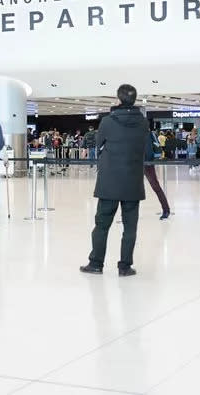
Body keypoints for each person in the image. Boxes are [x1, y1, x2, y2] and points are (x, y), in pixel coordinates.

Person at [80, 84, 148, 277]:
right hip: (133, 181)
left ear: (118, 99)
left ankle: (96, 263)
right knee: (130, 227)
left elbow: (100, 145)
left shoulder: (107, 122)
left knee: (102, 224)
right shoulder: (143, 123)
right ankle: (125, 266)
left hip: (109, 181)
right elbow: (144, 148)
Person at [144, 130, 171, 220]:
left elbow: (156, 145)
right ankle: (127, 213)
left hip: (147, 163)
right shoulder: (128, 131)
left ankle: (166, 210)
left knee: (155, 186)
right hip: (133, 163)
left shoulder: (148, 132)